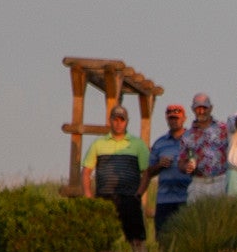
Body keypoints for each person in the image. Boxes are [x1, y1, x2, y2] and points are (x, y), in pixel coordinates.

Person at [82, 103, 151, 243]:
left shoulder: (138, 144)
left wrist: (138, 194)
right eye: (115, 119)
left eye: (122, 120)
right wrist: (88, 197)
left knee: (136, 240)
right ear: (110, 120)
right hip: (104, 198)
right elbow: (86, 172)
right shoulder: (98, 144)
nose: (119, 123)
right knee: (103, 239)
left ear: (127, 122)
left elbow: (147, 173)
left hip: (129, 198)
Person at [145, 103, 193, 237]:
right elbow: (149, 172)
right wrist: (159, 165)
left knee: (185, 237)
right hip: (164, 200)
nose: (174, 120)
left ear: (184, 118)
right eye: (171, 118)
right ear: (167, 119)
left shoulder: (193, 139)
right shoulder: (160, 143)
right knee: (163, 237)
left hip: (186, 197)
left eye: (177, 118)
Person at [181, 94, 229, 204]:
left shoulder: (223, 129)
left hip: (220, 180)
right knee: (195, 216)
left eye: (204, 108)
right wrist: (186, 167)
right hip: (198, 182)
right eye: (198, 108)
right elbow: (181, 161)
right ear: (193, 109)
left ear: (211, 108)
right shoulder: (187, 135)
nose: (201, 111)